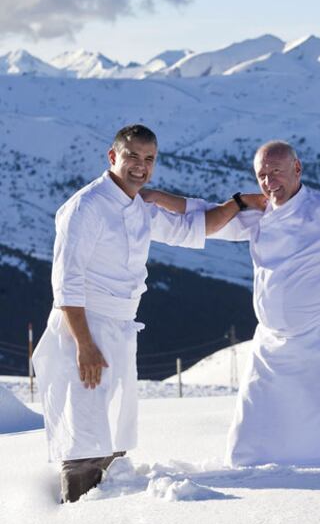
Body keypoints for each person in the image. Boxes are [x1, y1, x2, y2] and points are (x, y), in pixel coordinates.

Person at [33, 124, 264, 503]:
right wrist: (84, 345)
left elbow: (197, 227)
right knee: (84, 437)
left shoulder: (139, 207)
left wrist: (238, 203)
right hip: (84, 329)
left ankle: (108, 514)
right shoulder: (86, 207)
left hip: (120, 329)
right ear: (113, 157)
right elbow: (67, 284)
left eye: (149, 159)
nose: (140, 166)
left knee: (114, 433)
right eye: (132, 156)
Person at [145, 140, 320, 466]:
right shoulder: (259, 214)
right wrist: (154, 198)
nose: (268, 182)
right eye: (262, 175)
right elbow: (204, 213)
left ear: (297, 169)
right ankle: (258, 476)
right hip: (271, 346)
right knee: (253, 437)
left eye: (276, 172)